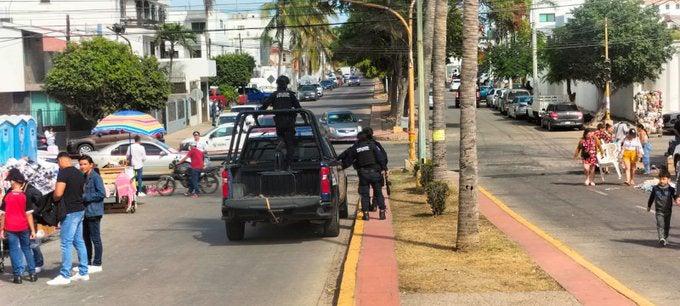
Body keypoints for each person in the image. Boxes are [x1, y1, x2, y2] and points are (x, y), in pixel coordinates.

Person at [47, 152, 89, 286]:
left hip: (70, 211)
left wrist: (53, 198)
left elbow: (58, 193)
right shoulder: (78, 173)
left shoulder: (64, 173)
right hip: (80, 209)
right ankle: (83, 271)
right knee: (79, 241)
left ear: (60, 161)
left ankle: (65, 274)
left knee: (66, 243)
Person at [338, 131, 388, 221]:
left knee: (364, 195)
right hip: (375, 173)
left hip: (363, 174)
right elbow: (380, 158)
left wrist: (341, 166)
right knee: (378, 193)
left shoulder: (356, 148)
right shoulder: (372, 145)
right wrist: (384, 168)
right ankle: (382, 212)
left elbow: (349, 159)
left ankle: (366, 214)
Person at [0, 169, 37, 284]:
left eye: (11, 181)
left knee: (14, 251)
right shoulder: (25, 196)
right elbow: (29, 215)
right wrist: (32, 230)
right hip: (23, 227)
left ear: (13, 182)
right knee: (27, 249)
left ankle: (17, 276)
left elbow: (3, 215)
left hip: (10, 228)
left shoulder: (7, 197)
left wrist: (1, 229)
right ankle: (32, 273)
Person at [260, 75, 302, 168]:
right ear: (286, 84)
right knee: (290, 144)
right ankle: (288, 165)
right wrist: (306, 118)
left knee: (282, 137)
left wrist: (256, 113)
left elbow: (264, 106)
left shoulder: (274, 94)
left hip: (279, 123)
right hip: (289, 124)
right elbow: (298, 108)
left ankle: (281, 145)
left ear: (278, 84)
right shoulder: (290, 95)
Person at [78, 155, 105, 274]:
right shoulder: (83, 177)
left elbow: (101, 193)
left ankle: (97, 263)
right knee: (86, 239)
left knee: (95, 239)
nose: (82, 166)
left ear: (91, 165)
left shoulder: (95, 177)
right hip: (85, 213)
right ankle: (87, 262)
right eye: (81, 164)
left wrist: (85, 197)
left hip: (94, 212)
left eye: (84, 164)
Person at [647, 170, 680, 247]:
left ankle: (666, 238)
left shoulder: (671, 189)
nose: (661, 181)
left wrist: (677, 201)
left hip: (668, 211)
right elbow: (651, 198)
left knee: (667, 226)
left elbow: (675, 197)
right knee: (660, 225)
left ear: (669, 180)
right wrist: (649, 206)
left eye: (664, 179)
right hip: (659, 211)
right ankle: (661, 238)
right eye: (660, 179)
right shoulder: (655, 189)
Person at [364, 127, 388, 212]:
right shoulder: (376, 144)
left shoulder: (360, 145)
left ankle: (368, 208)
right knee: (377, 190)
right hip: (377, 171)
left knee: (365, 191)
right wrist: (384, 168)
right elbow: (384, 156)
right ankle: (374, 205)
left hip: (364, 172)